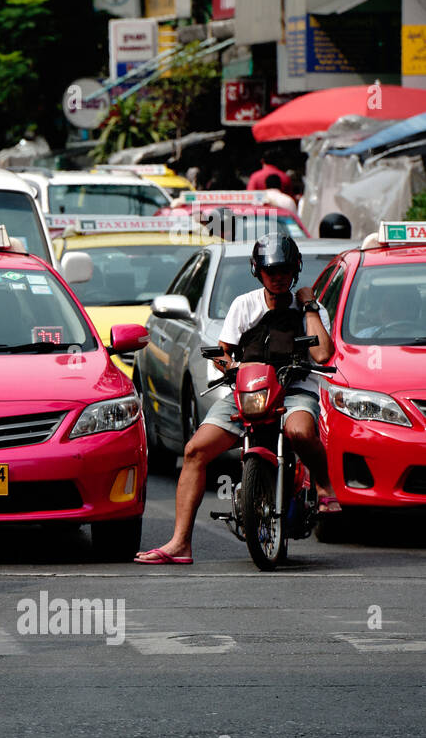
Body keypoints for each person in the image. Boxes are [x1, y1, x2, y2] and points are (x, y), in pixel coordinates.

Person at [136, 234, 337, 565]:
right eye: (270, 270)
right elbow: (224, 353)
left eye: (285, 269)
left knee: (300, 432)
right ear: (257, 271)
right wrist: (230, 366)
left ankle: (324, 488)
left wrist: (311, 305)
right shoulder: (244, 305)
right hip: (248, 391)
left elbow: (323, 353)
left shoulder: (309, 310)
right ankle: (180, 542)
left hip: (295, 390)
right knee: (195, 451)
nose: (278, 276)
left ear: (296, 269)